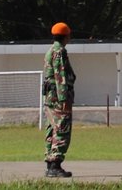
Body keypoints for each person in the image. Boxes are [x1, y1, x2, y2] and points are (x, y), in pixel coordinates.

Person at [42, 22, 76, 177]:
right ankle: (55, 164)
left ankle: (50, 164)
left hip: (50, 98)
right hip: (58, 99)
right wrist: (63, 99)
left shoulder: (51, 50)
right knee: (62, 129)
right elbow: (60, 74)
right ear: (66, 36)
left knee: (52, 130)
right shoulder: (59, 51)